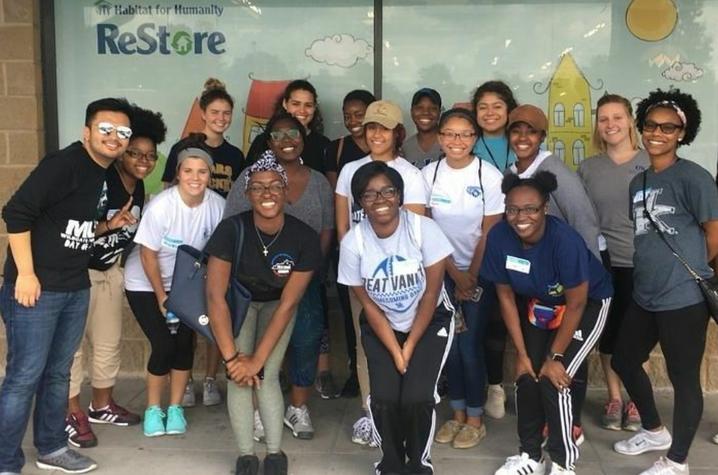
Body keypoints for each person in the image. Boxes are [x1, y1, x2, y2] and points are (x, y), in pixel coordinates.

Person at [0, 97, 134, 474]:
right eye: (106, 129)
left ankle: (52, 448)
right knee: (24, 376)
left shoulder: (101, 173)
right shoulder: (65, 164)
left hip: (75, 286)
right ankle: (6, 461)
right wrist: (25, 275)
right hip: (37, 289)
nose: (114, 137)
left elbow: (66, 226)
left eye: (122, 132)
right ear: (87, 131)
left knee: (59, 373)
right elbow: (16, 213)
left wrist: (107, 227)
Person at [611, 89, 718, 475]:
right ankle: (655, 430)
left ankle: (677, 462)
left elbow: (713, 235)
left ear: (682, 133)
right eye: (651, 125)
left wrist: (688, 271)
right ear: (641, 129)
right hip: (645, 293)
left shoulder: (695, 178)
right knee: (624, 359)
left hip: (683, 297)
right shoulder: (636, 183)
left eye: (668, 127)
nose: (658, 133)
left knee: (683, 377)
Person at [483, 171, 613, 475]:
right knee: (527, 377)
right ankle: (530, 456)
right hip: (541, 305)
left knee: (557, 378)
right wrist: (523, 354)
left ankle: (562, 462)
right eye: (513, 209)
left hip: (587, 305)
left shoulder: (564, 241)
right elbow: (504, 297)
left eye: (530, 209)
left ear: (545, 209)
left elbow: (577, 302)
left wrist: (554, 357)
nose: (520, 217)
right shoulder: (500, 237)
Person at [205, 157, 321, 475]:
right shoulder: (231, 229)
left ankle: (274, 454)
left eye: (274, 186)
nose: (266, 192)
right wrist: (232, 359)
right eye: (257, 187)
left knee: (265, 375)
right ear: (247, 194)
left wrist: (256, 360)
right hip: (238, 304)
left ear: (286, 192)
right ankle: (246, 455)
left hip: (276, 306)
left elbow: (287, 304)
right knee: (239, 379)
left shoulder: (305, 237)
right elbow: (215, 297)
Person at [338, 161, 455, 475]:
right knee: (385, 398)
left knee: (417, 397)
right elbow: (368, 306)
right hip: (382, 325)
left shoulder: (423, 229)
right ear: (360, 203)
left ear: (400, 195)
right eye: (369, 195)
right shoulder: (353, 242)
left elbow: (431, 294)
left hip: (430, 321)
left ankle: (418, 464)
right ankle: (390, 464)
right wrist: (395, 349)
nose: (380, 200)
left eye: (388, 191)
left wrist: (411, 345)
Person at [225, 114, 334, 440]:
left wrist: (310, 269)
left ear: (304, 137)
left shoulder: (318, 182)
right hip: (255, 285)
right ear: (269, 140)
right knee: (257, 346)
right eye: (278, 134)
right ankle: (258, 411)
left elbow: (327, 229)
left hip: (304, 278)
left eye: (294, 133)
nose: (287, 139)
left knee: (306, 339)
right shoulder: (251, 177)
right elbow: (232, 226)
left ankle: (297, 407)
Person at [66, 105, 167, 448]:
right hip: (77, 273)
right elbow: (70, 228)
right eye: (135, 153)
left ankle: (101, 404)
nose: (143, 160)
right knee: (72, 349)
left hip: (110, 272)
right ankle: (70, 412)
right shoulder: (99, 181)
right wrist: (108, 225)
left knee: (109, 343)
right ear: (122, 151)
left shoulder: (137, 187)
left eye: (150, 156)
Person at [335, 99, 429, 446]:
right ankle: (370, 412)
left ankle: (401, 411)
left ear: (397, 133)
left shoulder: (410, 175)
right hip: (362, 274)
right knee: (367, 344)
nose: (376, 134)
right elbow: (344, 225)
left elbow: (416, 228)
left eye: (384, 128)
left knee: (402, 342)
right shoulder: (350, 172)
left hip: (401, 276)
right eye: (372, 126)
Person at [508, 104, 602, 443]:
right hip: (537, 286)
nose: (522, 137)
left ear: (541, 136)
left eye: (530, 131)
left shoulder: (556, 172)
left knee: (566, 356)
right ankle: (550, 419)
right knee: (543, 353)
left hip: (570, 284)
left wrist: (582, 283)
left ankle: (572, 423)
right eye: (516, 131)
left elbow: (585, 223)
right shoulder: (515, 172)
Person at [124, 134, 225, 438]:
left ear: (210, 174)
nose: (195, 178)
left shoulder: (217, 206)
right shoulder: (162, 206)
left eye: (202, 171)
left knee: (183, 346)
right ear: (179, 173)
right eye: (188, 171)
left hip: (185, 284)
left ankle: (176, 407)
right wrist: (161, 296)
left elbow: (217, 253)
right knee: (163, 345)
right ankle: (155, 409)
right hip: (145, 282)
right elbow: (147, 253)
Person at [423, 108, 504, 449]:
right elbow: (426, 226)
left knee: (470, 346)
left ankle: (475, 418)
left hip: (478, 274)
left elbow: (491, 230)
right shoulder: (429, 174)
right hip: (441, 273)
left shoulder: (489, 174)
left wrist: (470, 275)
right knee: (449, 348)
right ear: (440, 138)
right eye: (450, 134)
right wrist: (453, 273)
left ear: (475, 138)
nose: (457, 141)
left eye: (465, 134)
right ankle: (456, 415)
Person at [161, 78, 245, 407]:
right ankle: (186, 381)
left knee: (215, 311)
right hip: (186, 243)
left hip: (220, 241)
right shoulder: (183, 149)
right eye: (215, 112)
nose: (221, 118)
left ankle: (211, 379)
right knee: (185, 313)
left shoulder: (235, 154)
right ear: (203, 113)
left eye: (226, 113)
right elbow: (168, 191)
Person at [577, 94, 649, 433]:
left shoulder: (652, 162)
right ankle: (615, 397)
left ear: (630, 120)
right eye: (603, 119)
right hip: (604, 264)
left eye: (617, 117)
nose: (611, 124)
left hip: (644, 264)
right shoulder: (589, 168)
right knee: (608, 337)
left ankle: (638, 399)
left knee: (636, 338)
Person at [323, 88, 376, 399]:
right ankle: (357, 373)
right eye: (348, 114)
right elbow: (338, 199)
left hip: (383, 246)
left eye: (360, 113)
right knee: (350, 312)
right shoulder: (337, 150)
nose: (353, 120)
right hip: (351, 247)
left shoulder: (387, 148)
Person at [471, 80, 519, 420]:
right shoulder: (468, 145)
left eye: (497, 106)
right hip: (482, 244)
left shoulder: (520, 144)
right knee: (490, 322)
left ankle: (529, 384)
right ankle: (495, 387)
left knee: (526, 318)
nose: (490, 113)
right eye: (483, 106)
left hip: (520, 242)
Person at [246, 79, 330, 174]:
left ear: (314, 107)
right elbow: (247, 179)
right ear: (285, 104)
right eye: (295, 104)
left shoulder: (324, 145)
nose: (302, 110)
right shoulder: (263, 141)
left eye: (308, 105)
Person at [403, 88, 443, 169]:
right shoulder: (405, 148)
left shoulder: (450, 142)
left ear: (439, 112)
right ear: (412, 112)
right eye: (419, 108)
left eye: (432, 108)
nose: (426, 112)